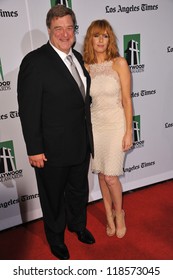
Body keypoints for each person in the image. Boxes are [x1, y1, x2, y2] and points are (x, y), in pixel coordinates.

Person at [17, 4, 95, 260]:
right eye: (58, 28)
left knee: (78, 190)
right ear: (49, 30)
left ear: (75, 30)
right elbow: (28, 110)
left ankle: (77, 225)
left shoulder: (79, 58)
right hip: (50, 150)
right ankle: (56, 239)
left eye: (69, 28)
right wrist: (35, 149)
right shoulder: (35, 62)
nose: (65, 33)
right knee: (52, 199)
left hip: (80, 144)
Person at [83, 19, 133, 238]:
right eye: (96, 35)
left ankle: (119, 214)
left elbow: (126, 99)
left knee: (111, 177)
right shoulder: (85, 67)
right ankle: (108, 216)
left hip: (115, 124)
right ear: (90, 39)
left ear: (110, 39)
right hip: (96, 126)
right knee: (102, 176)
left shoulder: (119, 63)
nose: (100, 40)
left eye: (104, 35)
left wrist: (129, 130)